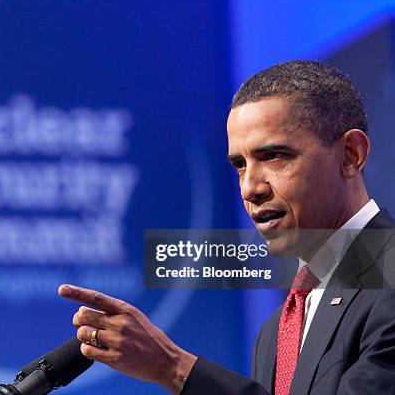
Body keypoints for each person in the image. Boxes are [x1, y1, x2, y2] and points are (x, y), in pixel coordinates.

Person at [58, 60, 395, 394]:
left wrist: (173, 367)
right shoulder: (276, 332)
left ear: (351, 155)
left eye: (274, 156)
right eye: (239, 164)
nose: (250, 187)